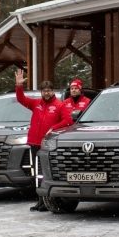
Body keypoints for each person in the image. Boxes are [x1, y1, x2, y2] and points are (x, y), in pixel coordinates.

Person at [15, 69, 71, 211]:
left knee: (46, 172)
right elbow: (21, 99)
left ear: (53, 91)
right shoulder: (36, 104)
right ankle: (39, 200)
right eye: (44, 91)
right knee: (36, 173)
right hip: (34, 143)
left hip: (47, 145)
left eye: (49, 90)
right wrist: (19, 86)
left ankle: (47, 200)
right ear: (41, 92)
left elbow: (68, 120)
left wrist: (54, 127)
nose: (46, 93)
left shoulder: (59, 105)